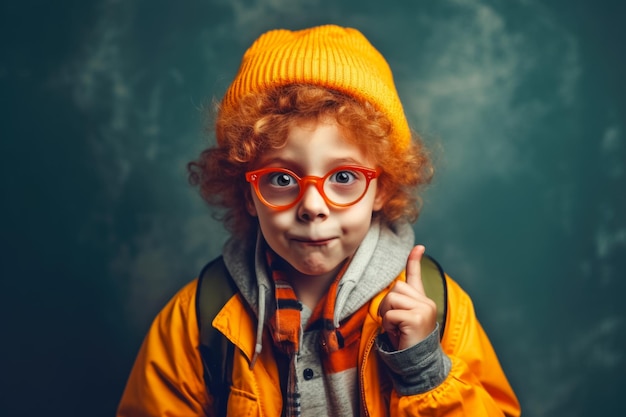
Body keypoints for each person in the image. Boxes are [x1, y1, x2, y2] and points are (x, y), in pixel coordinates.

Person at [117, 24, 521, 417]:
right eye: (281, 178)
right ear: (248, 193)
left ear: (381, 187)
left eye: (343, 177)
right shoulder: (196, 319)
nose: (313, 205)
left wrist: (424, 370)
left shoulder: (438, 306)